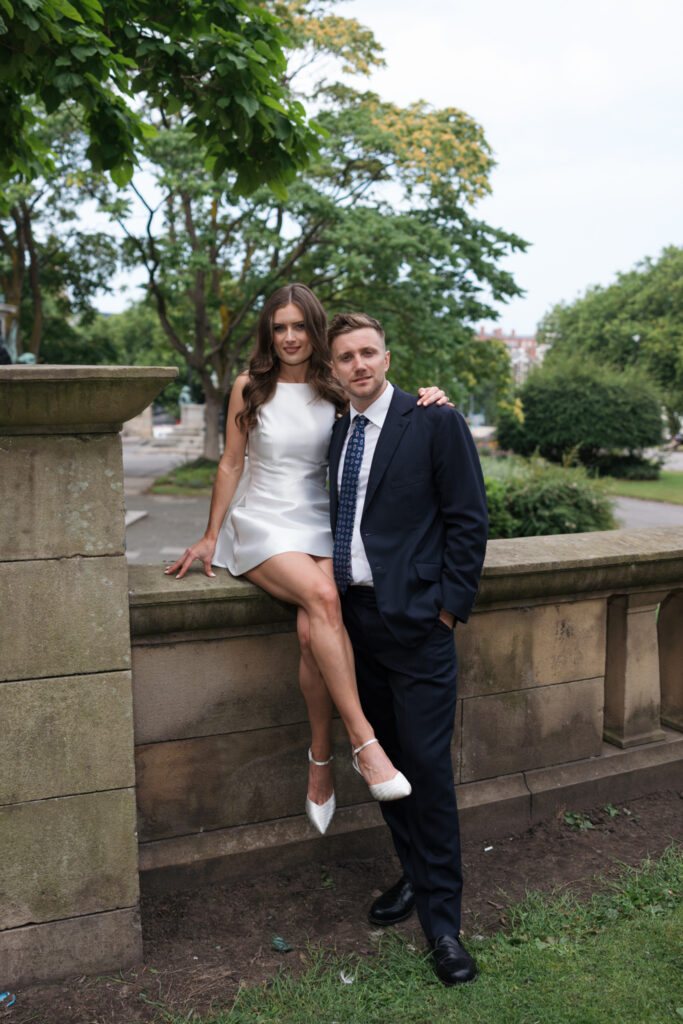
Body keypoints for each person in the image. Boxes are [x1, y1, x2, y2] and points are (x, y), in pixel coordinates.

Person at [164, 283, 447, 835]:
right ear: (268, 333)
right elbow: (229, 463)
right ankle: (366, 746)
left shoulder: (334, 386)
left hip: (320, 521)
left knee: (311, 630)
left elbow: (385, 408)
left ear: (314, 330)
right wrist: (208, 535)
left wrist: (430, 398)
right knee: (322, 597)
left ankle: (320, 761)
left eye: (299, 326)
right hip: (263, 520)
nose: (290, 337)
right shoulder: (251, 387)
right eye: (279, 327)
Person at [327, 312, 488, 987]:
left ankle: (443, 925)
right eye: (345, 357)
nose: (358, 365)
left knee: (427, 771)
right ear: (332, 371)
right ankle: (414, 877)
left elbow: (467, 518)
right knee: (382, 764)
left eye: (367, 352)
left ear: (386, 357)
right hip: (352, 625)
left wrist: (447, 609)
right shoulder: (336, 433)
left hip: (418, 625)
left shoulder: (432, 420)